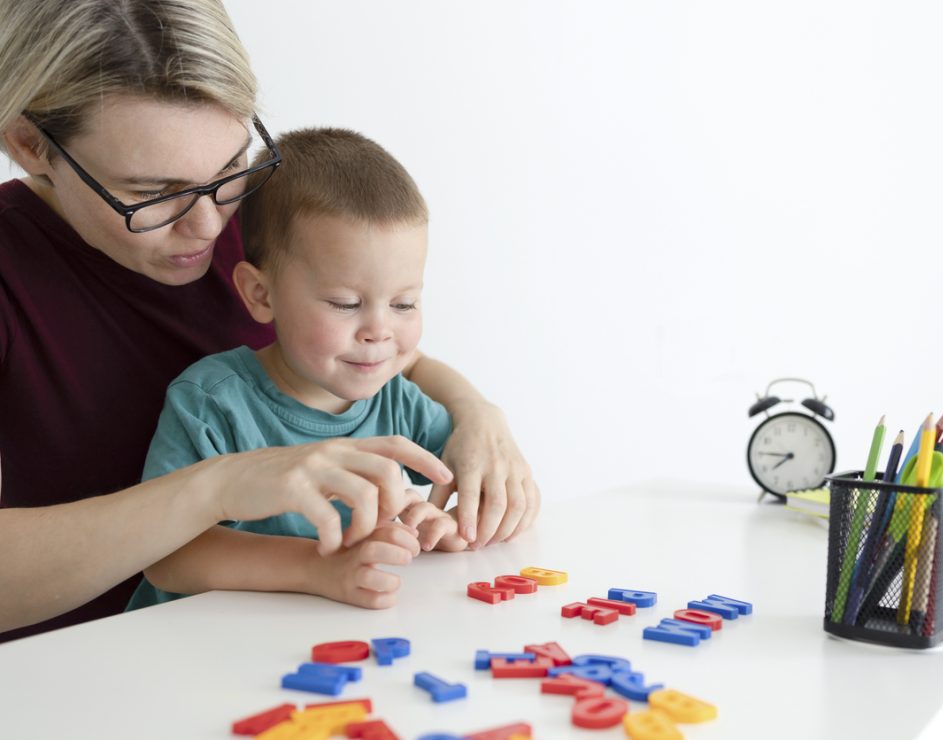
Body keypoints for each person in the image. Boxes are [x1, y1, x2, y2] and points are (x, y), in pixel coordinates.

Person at [0, 0, 539, 641]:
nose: (207, 228)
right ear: (31, 144)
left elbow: (381, 356)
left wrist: (478, 416)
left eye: (230, 168)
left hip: (282, 649)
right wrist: (218, 489)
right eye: (151, 193)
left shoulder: (260, 216)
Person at [128, 128, 469, 611]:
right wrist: (316, 568)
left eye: (404, 303)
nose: (379, 330)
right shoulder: (212, 401)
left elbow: (468, 475)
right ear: (261, 295)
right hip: (195, 654)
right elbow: (167, 558)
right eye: (345, 303)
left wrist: (441, 522)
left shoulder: (399, 400)